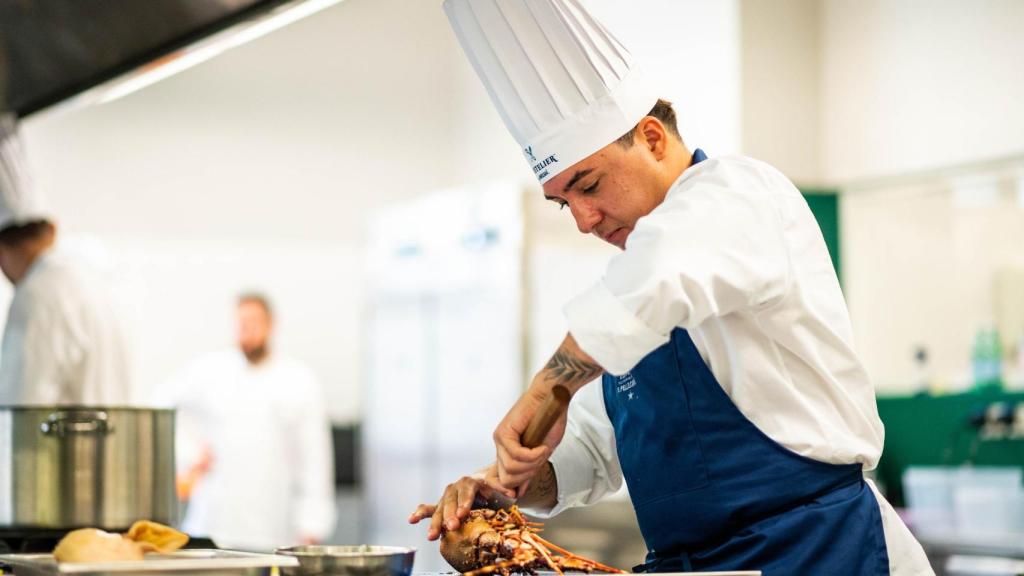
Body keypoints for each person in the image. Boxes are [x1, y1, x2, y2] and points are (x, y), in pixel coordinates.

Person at [409, 1, 934, 574]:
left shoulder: (742, 195)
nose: (584, 220)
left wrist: (547, 389)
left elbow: (661, 276)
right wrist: (517, 480)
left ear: (654, 138)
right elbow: (595, 451)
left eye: (589, 185)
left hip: (820, 553)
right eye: (565, 203)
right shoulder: (631, 297)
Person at [164, 293, 335, 551]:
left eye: (254, 322)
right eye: (242, 323)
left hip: (273, 529)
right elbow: (162, 406)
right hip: (213, 526)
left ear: (270, 324)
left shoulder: (298, 381)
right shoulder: (209, 372)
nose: (247, 330)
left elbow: (314, 458)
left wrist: (313, 522)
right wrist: (189, 453)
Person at [0, 113, 131, 405]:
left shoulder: (36, 295)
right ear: (52, 227)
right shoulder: (91, 275)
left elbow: (18, 408)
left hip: (67, 452)